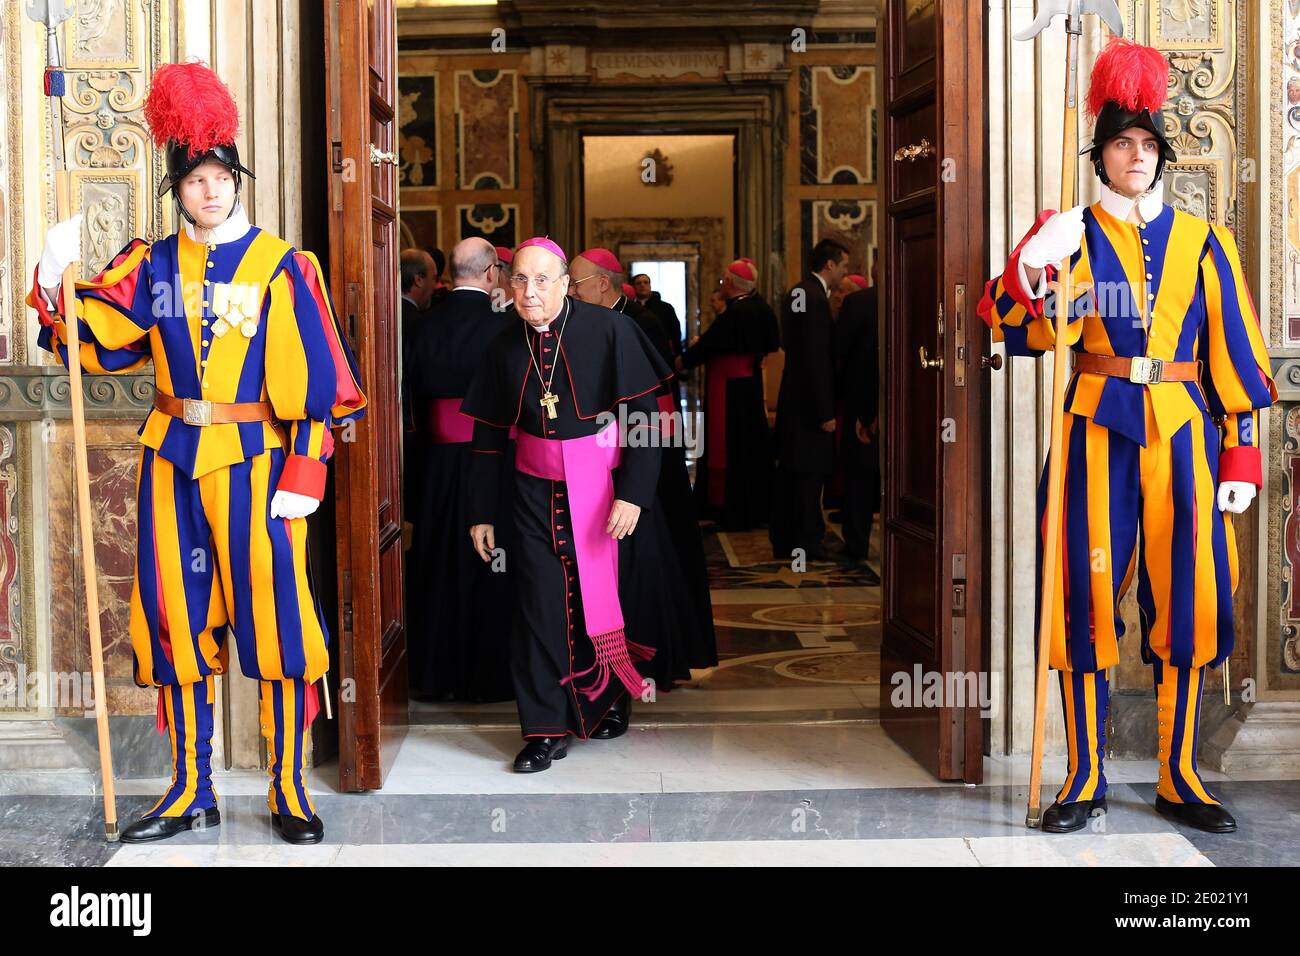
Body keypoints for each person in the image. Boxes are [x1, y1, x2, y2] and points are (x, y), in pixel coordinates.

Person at [29, 62, 366, 845]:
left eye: (221, 177)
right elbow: (94, 343)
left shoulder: (285, 266)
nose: (210, 191)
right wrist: (55, 281)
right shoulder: (149, 266)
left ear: (237, 180)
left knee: (278, 624)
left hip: (260, 466)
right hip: (170, 461)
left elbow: (318, 381)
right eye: (195, 180)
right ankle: (190, 790)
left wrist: (308, 468)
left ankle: (287, 787)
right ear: (176, 189)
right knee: (176, 624)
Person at [979, 39, 1277, 834]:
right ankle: (1084, 773)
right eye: (1122, 144)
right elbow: (1021, 331)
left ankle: (1180, 773)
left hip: (1185, 439)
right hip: (1092, 433)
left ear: (1160, 155)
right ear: (1102, 154)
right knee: (1082, 597)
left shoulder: (1207, 241)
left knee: (1190, 597)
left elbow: (1235, 361)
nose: (1136, 156)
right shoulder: (1068, 234)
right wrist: (1032, 269)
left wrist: (1241, 453)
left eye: (1147, 145)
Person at [462, 238, 673, 772]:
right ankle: (544, 729)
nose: (528, 293)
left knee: (600, 598)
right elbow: (486, 437)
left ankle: (604, 702)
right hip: (532, 493)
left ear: (563, 283)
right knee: (538, 605)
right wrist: (481, 511)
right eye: (518, 281)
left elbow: (645, 422)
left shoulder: (611, 331)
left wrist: (634, 493)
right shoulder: (501, 345)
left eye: (540, 281)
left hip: (603, 490)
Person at [570, 248, 717, 683]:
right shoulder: (602, 321)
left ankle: (655, 653)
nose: (570, 294)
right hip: (623, 446)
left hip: (646, 448)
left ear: (601, 283)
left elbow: (642, 405)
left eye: (574, 285)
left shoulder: (638, 323)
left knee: (655, 551)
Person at [405, 237, 516, 702]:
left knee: (436, 562)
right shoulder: (509, 327)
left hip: (436, 466)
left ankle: (435, 674)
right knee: (493, 564)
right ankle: (492, 675)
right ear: (492, 273)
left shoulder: (422, 324)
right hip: (497, 464)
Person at [680, 258, 779, 530]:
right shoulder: (762, 306)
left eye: (724, 280)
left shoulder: (736, 312)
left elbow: (709, 347)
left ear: (733, 284)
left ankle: (727, 506)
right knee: (750, 446)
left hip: (729, 390)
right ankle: (755, 506)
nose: (721, 284)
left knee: (728, 447)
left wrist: (680, 363)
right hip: (750, 388)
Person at [770, 239, 849, 560]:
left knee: (794, 472)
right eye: (843, 265)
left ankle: (788, 538)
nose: (845, 272)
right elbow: (816, 360)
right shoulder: (814, 298)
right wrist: (825, 411)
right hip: (809, 407)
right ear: (829, 265)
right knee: (808, 475)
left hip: (795, 401)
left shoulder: (800, 292)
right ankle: (806, 541)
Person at [834, 260, 881, 583]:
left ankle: (856, 545)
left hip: (860, 403)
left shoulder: (858, 303)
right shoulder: (917, 295)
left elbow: (841, 353)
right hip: (908, 408)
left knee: (860, 477)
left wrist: (864, 414)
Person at [632, 272, 683, 358]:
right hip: (637, 353)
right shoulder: (631, 307)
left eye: (645, 282)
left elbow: (675, 333)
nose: (642, 285)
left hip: (661, 353)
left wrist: (678, 355)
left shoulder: (666, 307)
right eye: (638, 283)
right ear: (634, 287)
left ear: (650, 285)